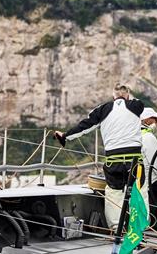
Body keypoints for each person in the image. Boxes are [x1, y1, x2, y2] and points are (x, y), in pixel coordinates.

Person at [53, 84, 144, 229]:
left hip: (113, 159)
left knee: (114, 193)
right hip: (134, 159)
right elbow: (136, 105)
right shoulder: (137, 105)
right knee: (139, 192)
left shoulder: (103, 109)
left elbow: (84, 126)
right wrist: (128, 97)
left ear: (113, 96)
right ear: (128, 95)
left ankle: (115, 228)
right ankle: (139, 228)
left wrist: (64, 136)